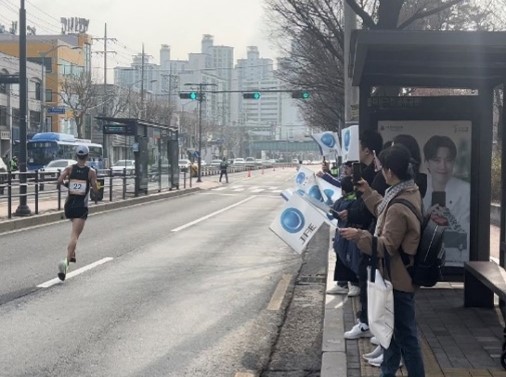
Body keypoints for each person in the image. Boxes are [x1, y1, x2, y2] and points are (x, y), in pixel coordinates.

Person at [340, 144, 425, 377]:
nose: (379, 172)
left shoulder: (398, 204)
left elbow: (386, 246)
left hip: (397, 280)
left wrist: (359, 236)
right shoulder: (408, 191)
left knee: (406, 337)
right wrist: (367, 191)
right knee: (393, 335)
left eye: (381, 168)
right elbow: (385, 212)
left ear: (389, 171)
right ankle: (387, 373)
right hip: (399, 277)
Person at [338, 129, 386, 340]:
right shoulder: (370, 174)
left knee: (370, 278)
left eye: (359, 145)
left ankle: (372, 325)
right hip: (369, 232)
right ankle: (371, 325)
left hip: (372, 233)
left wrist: (353, 213)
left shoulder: (378, 177)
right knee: (367, 277)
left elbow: (375, 207)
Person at [56, 145, 98, 281]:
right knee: (75, 235)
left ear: (76, 156)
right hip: (81, 207)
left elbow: (59, 180)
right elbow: (96, 189)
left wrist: (68, 185)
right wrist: (94, 187)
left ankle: (72, 254)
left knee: (74, 229)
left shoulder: (70, 169)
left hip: (69, 206)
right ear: (87, 156)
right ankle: (65, 263)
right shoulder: (91, 172)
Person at [423, 135, 470, 256]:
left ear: (454, 162)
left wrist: (448, 221)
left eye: (448, 160)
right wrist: (426, 218)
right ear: (427, 163)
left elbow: (466, 238)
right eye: (437, 160)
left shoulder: (465, 191)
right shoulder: (417, 188)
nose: (443, 166)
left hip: (457, 261)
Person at [328, 176, 361, 297]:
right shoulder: (355, 199)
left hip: (349, 235)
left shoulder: (346, 201)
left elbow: (334, 212)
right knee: (343, 258)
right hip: (343, 234)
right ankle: (343, 283)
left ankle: (353, 284)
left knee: (349, 258)